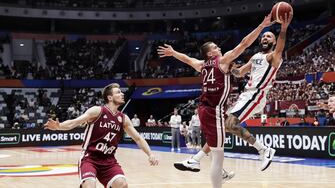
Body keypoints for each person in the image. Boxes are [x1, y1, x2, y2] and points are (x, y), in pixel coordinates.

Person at [158, 14, 273, 188]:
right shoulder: (223, 60)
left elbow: (187, 59)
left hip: (203, 110)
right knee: (218, 157)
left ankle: (199, 162)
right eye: (215, 46)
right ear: (211, 53)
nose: (218, 47)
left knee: (216, 145)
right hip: (215, 111)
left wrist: (173, 53)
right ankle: (213, 173)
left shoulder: (202, 65)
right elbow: (244, 43)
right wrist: (262, 25)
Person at [173, 12, 292, 174]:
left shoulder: (274, 57)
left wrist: (283, 28)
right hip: (245, 96)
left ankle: (264, 150)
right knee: (222, 128)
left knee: (228, 125)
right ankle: (197, 160)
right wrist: (229, 69)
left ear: (274, 41)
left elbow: (280, 47)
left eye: (269, 37)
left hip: (256, 96)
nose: (265, 38)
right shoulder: (256, 56)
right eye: (264, 36)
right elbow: (240, 73)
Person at [44, 83, 158, 188]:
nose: (122, 94)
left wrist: (150, 153)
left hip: (109, 160)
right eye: (118, 92)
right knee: (90, 186)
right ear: (110, 97)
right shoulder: (97, 111)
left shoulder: (123, 118)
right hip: (90, 158)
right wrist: (59, 126)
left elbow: (137, 138)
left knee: (122, 184)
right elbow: (75, 122)